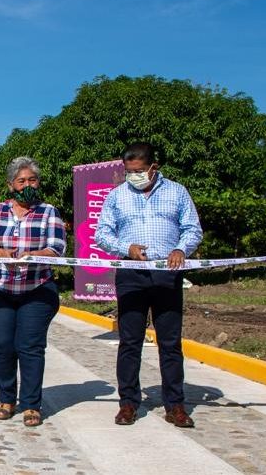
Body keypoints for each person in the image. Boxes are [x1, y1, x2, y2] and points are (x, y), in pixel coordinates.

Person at [95, 142, 202, 428]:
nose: (134, 176)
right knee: (130, 342)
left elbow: (193, 229)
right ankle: (128, 403)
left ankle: (175, 404)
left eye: (139, 171)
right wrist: (125, 247)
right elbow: (102, 234)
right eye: (129, 171)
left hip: (167, 274)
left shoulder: (177, 192)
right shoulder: (117, 196)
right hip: (131, 275)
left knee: (170, 343)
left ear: (154, 167)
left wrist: (181, 249)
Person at [0, 156, 66, 428]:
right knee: (2, 345)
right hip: (0, 287)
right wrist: (3, 253)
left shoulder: (49, 212)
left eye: (32, 180)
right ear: (11, 185)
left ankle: (31, 404)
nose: (27, 185)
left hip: (37, 288)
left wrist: (29, 255)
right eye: (21, 181)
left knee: (30, 346)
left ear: (38, 183)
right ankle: (6, 398)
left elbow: (57, 248)